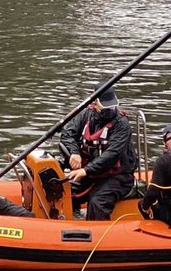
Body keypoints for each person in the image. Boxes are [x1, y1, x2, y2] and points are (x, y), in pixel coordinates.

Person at [59, 83, 138, 220]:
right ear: (95, 104)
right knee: (63, 191)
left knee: (97, 201)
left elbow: (112, 155)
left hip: (118, 176)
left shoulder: (122, 125)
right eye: (105, 106)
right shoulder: (86, 115)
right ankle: (69, 219)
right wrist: (74, 152)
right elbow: (67, 134)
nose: (110, 109)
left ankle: (98, 235)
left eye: (111, 105)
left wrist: (86, 170)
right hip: (91, 172)